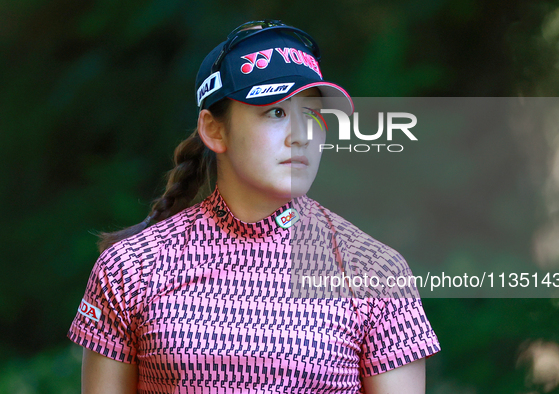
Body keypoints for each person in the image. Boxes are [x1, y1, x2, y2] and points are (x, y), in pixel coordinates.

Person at [68, 20, 440, 393]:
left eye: (312, 114)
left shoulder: (375, 270)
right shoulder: (131, 268)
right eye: (276, 112)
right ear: (214, 130)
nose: (301, 135)